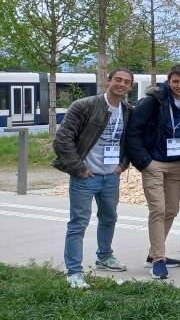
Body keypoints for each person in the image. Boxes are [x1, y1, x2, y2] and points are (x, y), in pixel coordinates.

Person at [53, 68, 135, 289]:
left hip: (111, 177)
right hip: (85, 176)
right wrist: (78, 168)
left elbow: (130, 142)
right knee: (78, 224)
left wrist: (123, 164)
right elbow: (62, 140)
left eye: (127, 82)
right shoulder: (85, 105)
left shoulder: (128, 111)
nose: (122, 84)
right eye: (118, 80)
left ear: (130, 87)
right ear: (108, 81)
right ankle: (74, 272)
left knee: (109, 218)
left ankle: (105, 257)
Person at [125, 63, 180, 280]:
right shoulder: (153, 101)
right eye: (175, 81)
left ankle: (153, 253)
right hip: (154, 163)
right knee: (158, 209)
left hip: (177, 164)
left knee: (172, 210)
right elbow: (134, 132)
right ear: (169, 81)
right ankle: (158, 259)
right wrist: (144, 162)